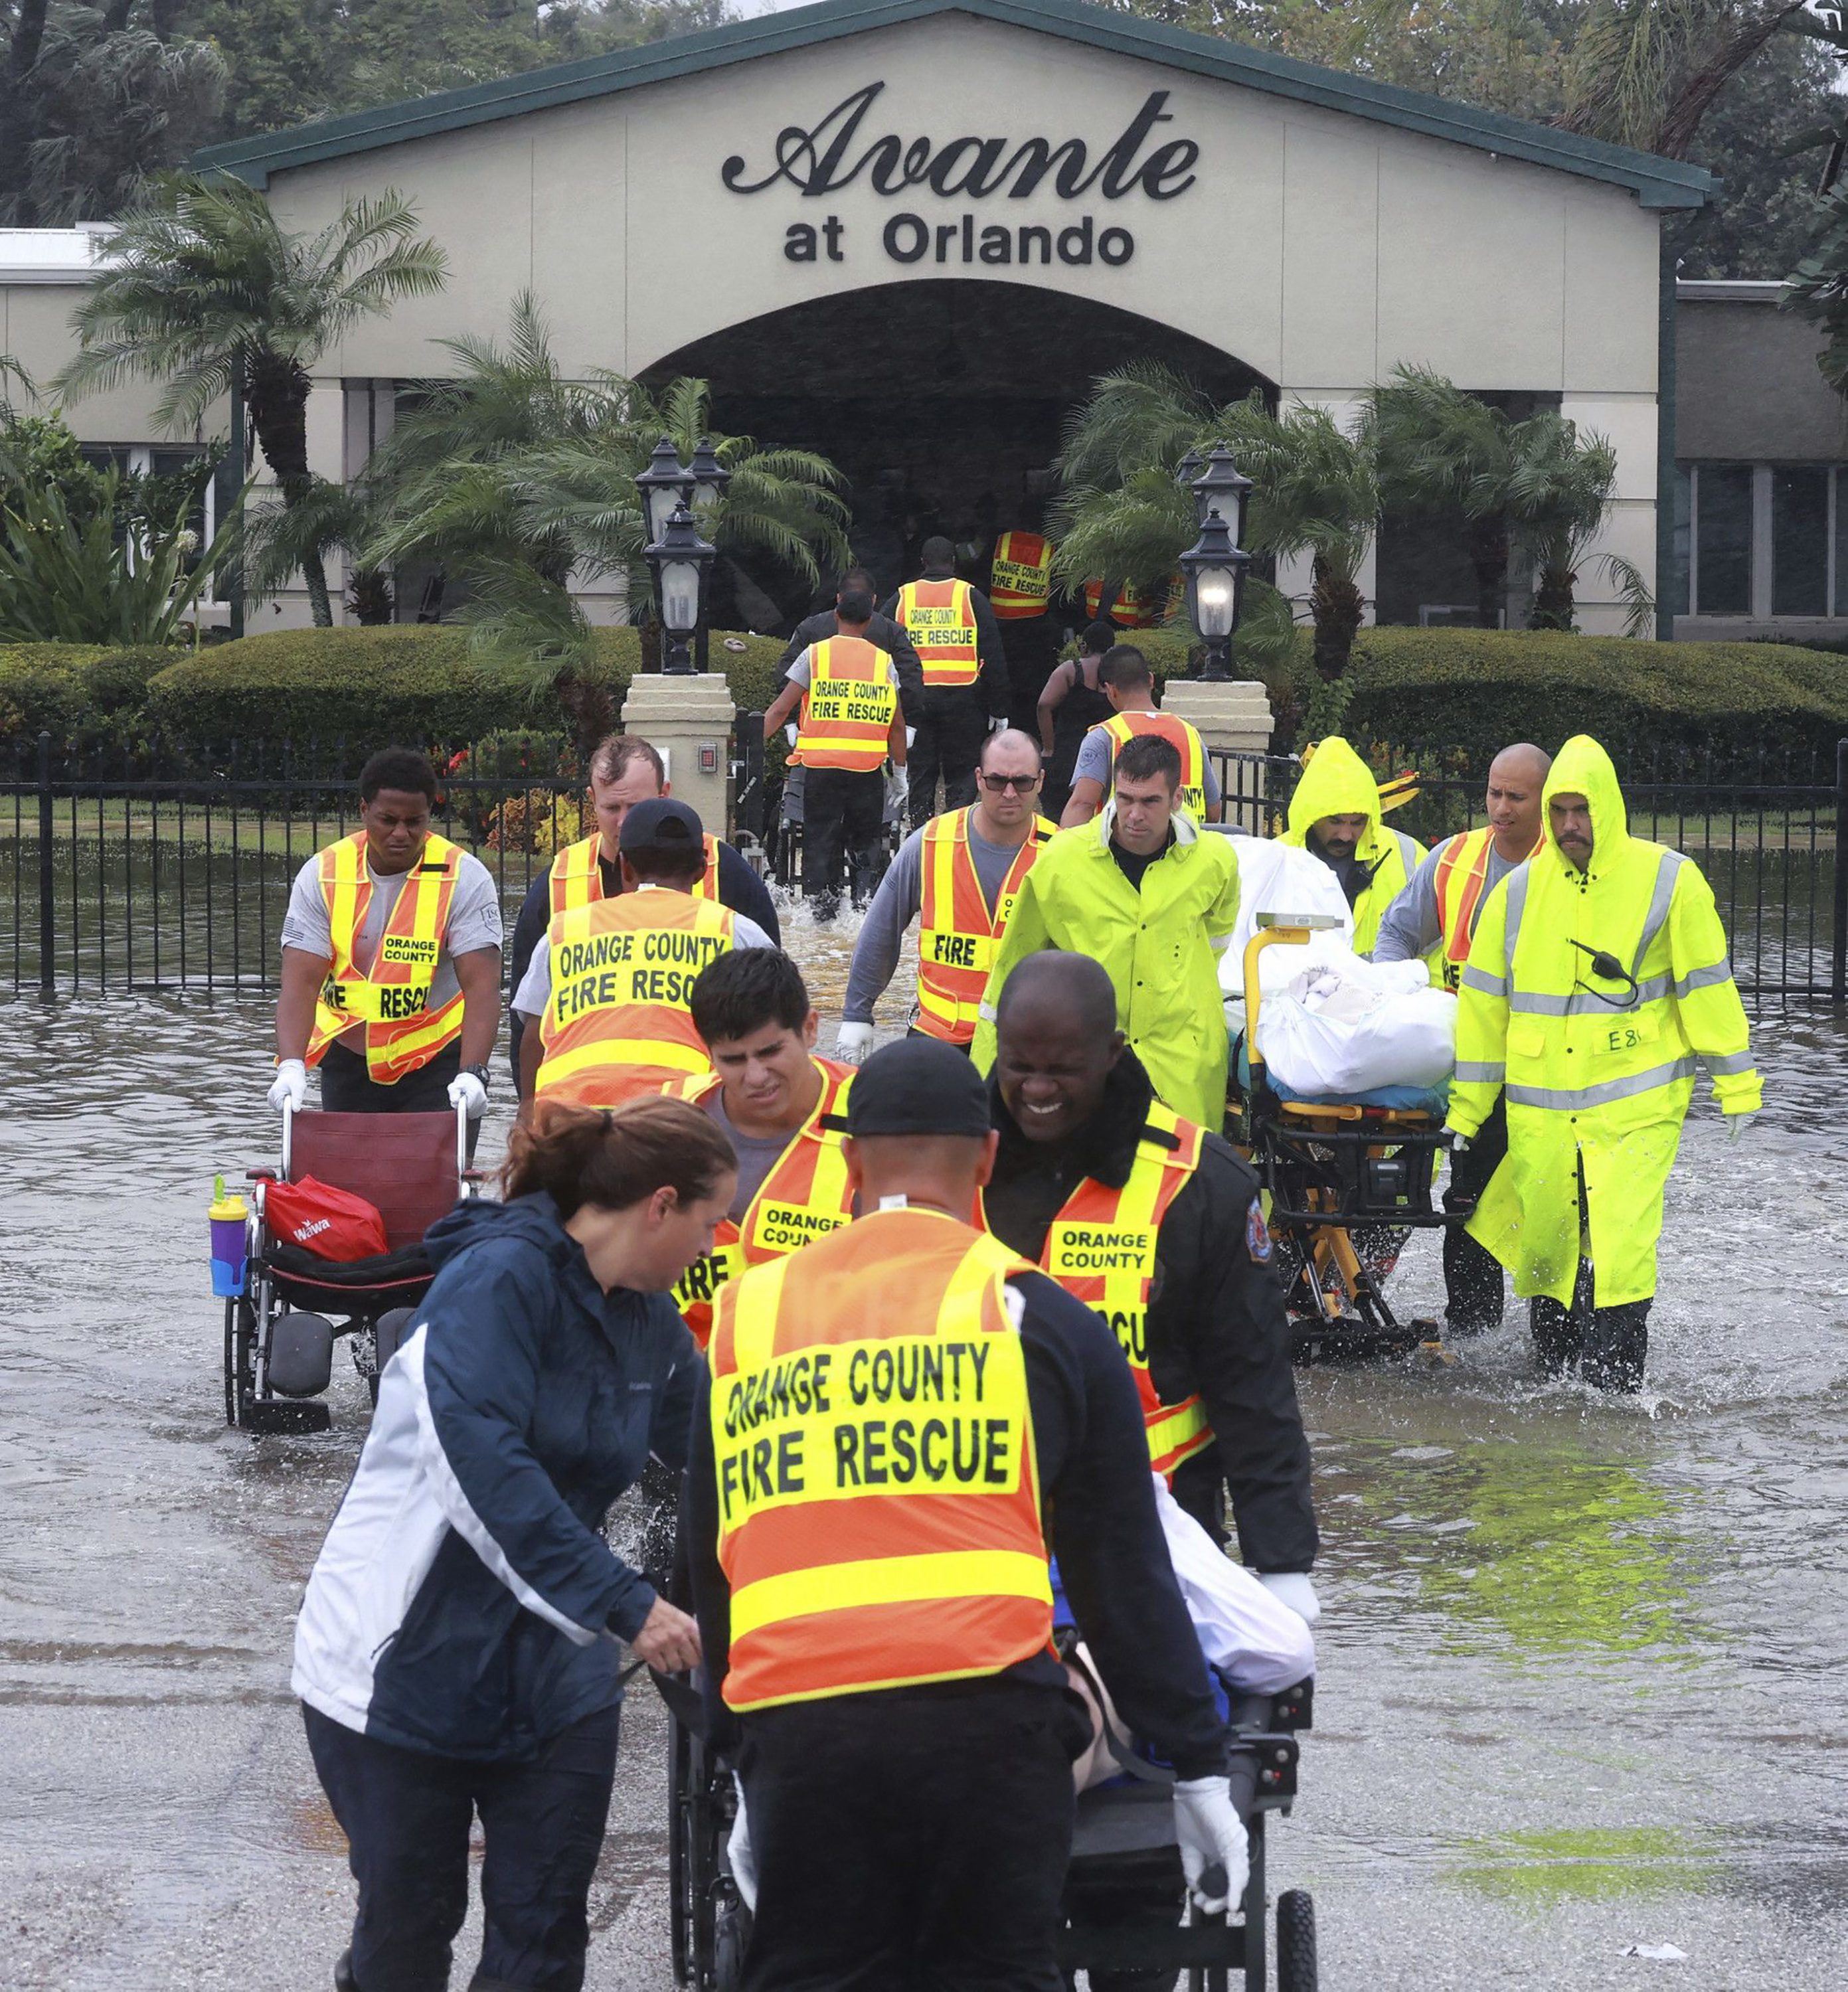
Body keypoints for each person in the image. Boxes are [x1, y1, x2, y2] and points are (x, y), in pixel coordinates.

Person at [684, 1038, 1249, 1991]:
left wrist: (740, 1760)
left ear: (849, 1166)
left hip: (804, 1734)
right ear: (986, 1159)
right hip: (984, 1733)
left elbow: (713, 1569)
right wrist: (1195, 1766)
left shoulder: (749, 1318)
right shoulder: (1037, 1319)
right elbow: (1121, 1571)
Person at [294, 1093, 735, 1992]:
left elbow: (729, 1456)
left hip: (554, 1679)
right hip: (397, 1669)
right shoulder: (495, 1283)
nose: (712, 1247)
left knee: (542, 1941)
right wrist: (629, 1603)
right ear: (657, 1205)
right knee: (409, 1932)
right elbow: (485, 1471)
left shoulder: (648, 1326)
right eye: (707, 1222)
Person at [983, 951, 1319, 1596]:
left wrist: (1280, 1564)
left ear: (1111, 1054)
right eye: (1018, 1066)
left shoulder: (1200, 1184)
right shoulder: (956, 1159)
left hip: (1157, 1543)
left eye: (1061, 1070)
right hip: (985, 1537)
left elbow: (1252, 1383)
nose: (1036, 1089)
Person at [1446, 734, 1761, 1390]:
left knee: (1618, 1255)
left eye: (1579, 810)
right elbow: (1482, 1014)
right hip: (1544, 1124)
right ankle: (1558, 1406)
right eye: (1558, 810)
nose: (1568, 825)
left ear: (1608, 808)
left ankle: (1618, 1407)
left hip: (1633, 1117)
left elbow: (1706, 988)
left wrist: (1734, 1084)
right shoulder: (1517, 894)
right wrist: (1468, 1112)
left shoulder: (1666, 880)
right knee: (1550, 1259)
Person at [973, 732, 1241, 1131]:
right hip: (1089, 1061)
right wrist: (987, 1086)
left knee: (1185, 1183)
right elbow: (1013, 970)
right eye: (1126, 799)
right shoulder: (1062, 863)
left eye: (1151, 801)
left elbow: (1215, 938)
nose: (1134, 815)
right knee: (1095, 1184)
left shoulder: (1214, 861)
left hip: (1185, 1059)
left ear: (1177, 799)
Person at [1373, 742, 1551, 1335]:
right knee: (1467, 1202)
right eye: (1493, 794)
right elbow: (1396, 933)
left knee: (1551, 1208)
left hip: (1550, 1073)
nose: (1500, 808)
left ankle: (1555, 1340)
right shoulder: (1453, 859)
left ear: (1545, 801)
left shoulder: (1568, 867)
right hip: (1470, 1072)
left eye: (1515, 797)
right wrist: (1401, 994)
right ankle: (1474, 1334)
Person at [505, 733, 780, 1082]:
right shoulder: (557, 881)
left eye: (636, 808)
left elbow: (771, 989)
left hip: (699, 1093)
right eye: (611, 808)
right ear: (592, 800)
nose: (623, 823)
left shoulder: (725, 871)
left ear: (664, 794)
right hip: (585, 1094)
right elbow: (527, 1016)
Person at [269, 747, 501, 1148]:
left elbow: (483, 988)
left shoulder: (465, 878)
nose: (401, 833)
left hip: (438, 1066)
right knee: (349, 1197)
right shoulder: (323, 874)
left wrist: (474, 1071)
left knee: (434, 1193)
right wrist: (291, 1065)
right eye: (388, 820)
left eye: (416, 822)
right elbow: (300, 984)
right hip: (348, 1062)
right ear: (364, 810)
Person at [661, 948, 857, 1349]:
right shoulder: (669, 1122)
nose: (756, 1077)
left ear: (810, 1029)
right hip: (694, 1387)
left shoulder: (875, 1115)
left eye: (770, 1053)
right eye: (733, 1060)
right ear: (708, 1051)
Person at [835, 727, 1055, 1058]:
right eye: (997, 781)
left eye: (1022, 782)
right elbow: (882, 930)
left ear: (1040, 781)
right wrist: (857, 1013)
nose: (1010, 793)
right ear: (979, 779)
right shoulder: (930, 843)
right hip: (939, 1040)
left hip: (1028, 1046)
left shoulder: (1060, 853)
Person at [760, 586, 908, 921]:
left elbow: (781, 709)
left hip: (821, 769)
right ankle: (862, 909)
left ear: (836, 615)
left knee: (821, 840)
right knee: (865, 844)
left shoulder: (814, 655)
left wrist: (745, 743)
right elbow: (897, 726)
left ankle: (820, 914)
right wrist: (899, 773)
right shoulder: (883, 662)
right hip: (867, 771)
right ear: (869, 622)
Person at [883, 534, 1011, 826]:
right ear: (953, 563)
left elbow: (877, 642)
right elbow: (993, 653)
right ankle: (955, 832)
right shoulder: (971, 596)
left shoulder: (903, 597)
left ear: (923, 563)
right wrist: (1000, 708)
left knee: (921, 772)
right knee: (963, 773)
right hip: (963, 700)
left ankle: (921, 833)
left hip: (916, 700)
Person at [1276, 735, 1422, 953]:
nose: (1345, 835)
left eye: (1357, 822)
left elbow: (1438, 945)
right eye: (1334, 821)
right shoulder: (1276, 858)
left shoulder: (1408, 854)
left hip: (1389, 988)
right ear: (1311, 816)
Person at [1059, 644, 1223, 827]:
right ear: (1151, 680)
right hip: (1187, 850)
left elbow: (1082, 805)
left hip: (1126, 851)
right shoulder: (1189, 733)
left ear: (1110, 690)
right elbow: (1213, 811)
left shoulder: (1105, 736)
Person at [773, 563, 926, 729]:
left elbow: (786, 675)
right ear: (874, 600)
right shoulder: (892, 632)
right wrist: (908, 722)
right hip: (876, 730)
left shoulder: (810, 628)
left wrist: (791, 721)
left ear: (839, 598)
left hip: (819, 730)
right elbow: (910, 677)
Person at [1035, 617, 1117, 819]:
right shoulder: (1118, 672)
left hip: (1066, 754)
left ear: (1085, 646)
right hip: (1106, 755)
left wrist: (1048, 747)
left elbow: (1044, 705)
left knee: (1058, 817)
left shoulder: (1071, 670)